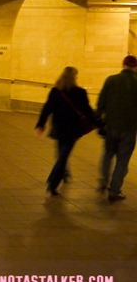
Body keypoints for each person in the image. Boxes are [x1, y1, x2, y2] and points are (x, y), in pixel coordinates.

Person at [35, 66, 96, 196]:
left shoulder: (56, 91)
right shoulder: (80, 92)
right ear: (74, 77)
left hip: (58, 128)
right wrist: (99, 123)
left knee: (61, 154)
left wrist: (41, 124)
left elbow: (47, 108)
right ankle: (52, 181)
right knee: (63, 156)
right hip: (72, 130)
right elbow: (87, 110)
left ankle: (61, 177)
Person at [96, 55, 137, 201]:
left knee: (108, 154)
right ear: (135, 67)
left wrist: (98, 120)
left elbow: (101, 102)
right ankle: (114, 190)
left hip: (111, 126)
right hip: (129, 129)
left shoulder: (111, 80)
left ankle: (103, 181)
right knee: (122, 160)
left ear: (123, 65)